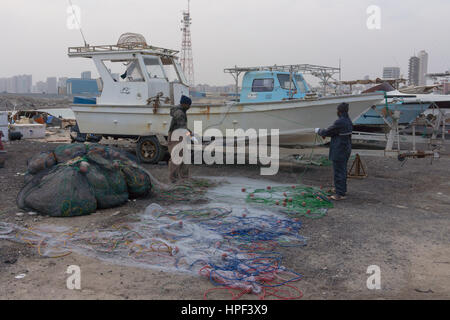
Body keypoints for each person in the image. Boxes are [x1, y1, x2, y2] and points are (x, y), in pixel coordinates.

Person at [315, 103, 353, 200]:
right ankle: (340, 189)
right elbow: (336, 133)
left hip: (339, 150)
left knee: (338, 171)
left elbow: (327, 132)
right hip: (346, 149)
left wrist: (318, 131)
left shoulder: (339, 122)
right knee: (342, 170)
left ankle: (340, 194)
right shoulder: (348, 121)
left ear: (339, 111)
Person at [168, 95, 192, 183]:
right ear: (184, 104)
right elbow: (182, 128)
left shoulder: (182, 111)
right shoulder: (179, 113)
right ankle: (173, 180)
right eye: (189, 105)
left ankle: (184, 178)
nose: (190, 107)